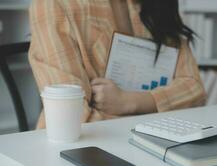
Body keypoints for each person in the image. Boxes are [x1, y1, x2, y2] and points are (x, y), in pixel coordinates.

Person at [29, 0, 206, 129]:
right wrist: (154, 121)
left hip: (155, 143)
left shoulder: (156, 6)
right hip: (84, 152)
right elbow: (72, 118)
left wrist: (130, 101)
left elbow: (193, 90)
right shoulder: (55, 5)